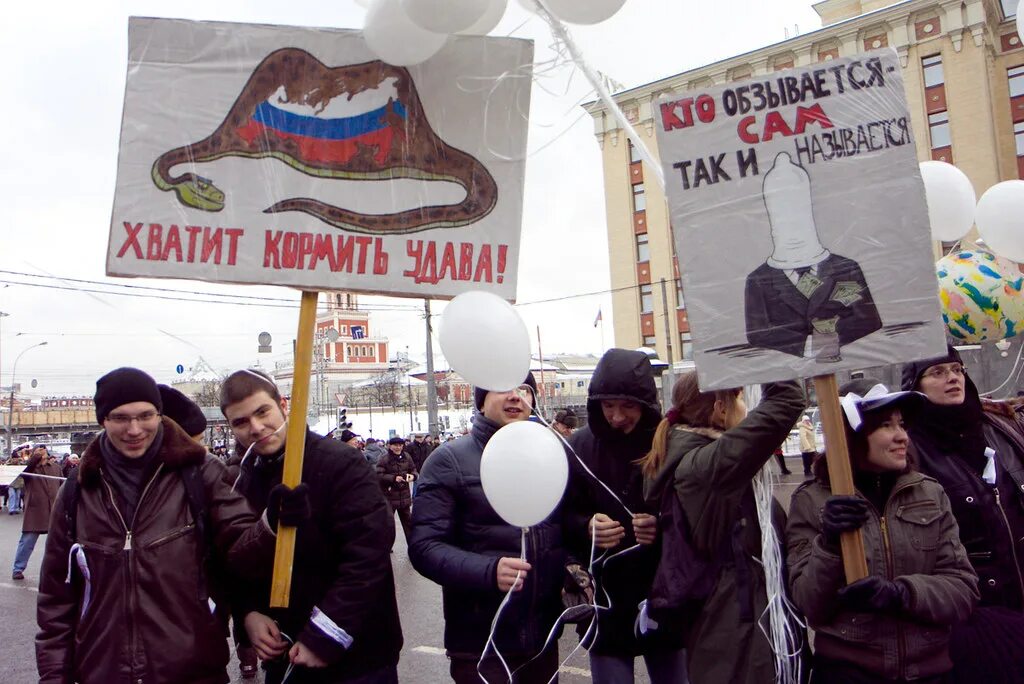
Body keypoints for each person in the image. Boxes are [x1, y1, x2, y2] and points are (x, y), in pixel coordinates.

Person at [36, 367, 286, 684]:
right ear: (103, 420)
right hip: (102, 671)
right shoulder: (77, 489)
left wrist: (270, 524)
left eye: (145, 415)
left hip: (193, 668)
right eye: (120, 418)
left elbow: (240, 551)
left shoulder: (199, 472)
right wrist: (53, 676)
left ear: (159, 414)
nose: (134, 429)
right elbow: (56, 601)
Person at [786, 383, 979, 683]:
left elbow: (963, 590)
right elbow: (808, 604)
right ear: (852, 435)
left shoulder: (929, 492)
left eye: (901, 424)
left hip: (929, 672)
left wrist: (901, 594)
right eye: (886, 426)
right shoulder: (811, 501)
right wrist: (829, 546)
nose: (902, 435)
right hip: (848, 673)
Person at [221, 368, 402, 684]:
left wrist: (325, 636)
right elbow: (237, 561)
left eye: (262, 412)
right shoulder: (242, 478)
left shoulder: (340, 462)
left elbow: (368, 555)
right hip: (284, 653)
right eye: (241, 422)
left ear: (284, 404)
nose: (256, 427)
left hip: (359, 657)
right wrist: (248, 615)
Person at [641, 375, 807, 684]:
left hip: (733, 620)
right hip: (734, 628)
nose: (745, 407)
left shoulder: (694, 457)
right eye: (740, 398)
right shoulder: (706, 465)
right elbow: (788, 402)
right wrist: (761, 354)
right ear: (720, 408)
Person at [409, 373, 566, 683]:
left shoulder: (550, 455)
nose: (514, 396)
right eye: (502, 387)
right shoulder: (448, 460)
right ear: (481, 401)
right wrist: (488, 570)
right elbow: (424, 547)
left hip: (543, 639)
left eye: (524, 389)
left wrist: (575, 557)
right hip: (480, 643)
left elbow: (561, 529)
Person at [563, 349, 686, 683]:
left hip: (665, 596)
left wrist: (661, 527)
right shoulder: (579, 446)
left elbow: (695, 513)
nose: (616, 417)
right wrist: (586, 526)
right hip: (606, 601)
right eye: (608, 405)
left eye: (627, 406)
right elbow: (560, 517)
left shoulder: (671, 442)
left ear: (646, 403)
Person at [902, 346, 1024, 682]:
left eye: (956, 369)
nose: (953, 378)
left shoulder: (996, 429)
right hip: (972, 612)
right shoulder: (909, 447)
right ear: (916, 385)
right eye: (937, 372)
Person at [11, 446, 62, 580]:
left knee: (58, 543)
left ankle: (58, 570)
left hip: (54, 509)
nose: (42, 452)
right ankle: (18, 568)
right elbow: (25, 472)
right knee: (27, 542)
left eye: (43, 450)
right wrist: (35, 458)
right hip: (36, 510)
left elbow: (63, 487)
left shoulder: (56, 468)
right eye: (38, 450)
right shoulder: (31, 469)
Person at [377, 436, 417, 549]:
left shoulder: (407, 457)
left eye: (400, 445)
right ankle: (386, 547)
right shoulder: (384, 458)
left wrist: (413, 476)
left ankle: (413, 546)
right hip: (390, 496)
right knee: (388, 524)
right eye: (395, 445)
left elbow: (413, 469)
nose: (398, 447)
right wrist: (393, 478)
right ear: (390, 446)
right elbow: (378, 475)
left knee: (408, 523)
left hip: (404, 496)